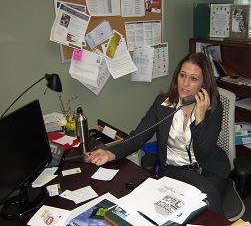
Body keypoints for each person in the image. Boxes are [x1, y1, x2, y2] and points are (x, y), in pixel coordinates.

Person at [86, 53, 231, 218]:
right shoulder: (163, 104)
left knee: (204, 204)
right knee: (198, 201)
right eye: (182, 75)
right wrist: (110, 152)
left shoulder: (213, 109)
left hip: (209, 170)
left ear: (203, 83)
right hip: (175, 171)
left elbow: (205, 153)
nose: (185, 83)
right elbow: (138, 136)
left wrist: (200, 119)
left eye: (193, 78)